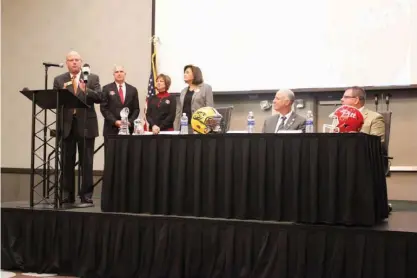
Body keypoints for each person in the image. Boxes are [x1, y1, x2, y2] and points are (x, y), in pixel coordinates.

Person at [52, 50, 102, 205]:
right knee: (66, 162)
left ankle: (86, 195)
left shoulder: (92, 78)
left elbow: (100, 97)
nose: (74, 62)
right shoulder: (59, 80)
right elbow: (55, 100)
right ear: (66, 63)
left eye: (77, 60)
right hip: (67, 126)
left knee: (86, 162)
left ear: (81, 62)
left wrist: (86, 89)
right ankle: (67, 194)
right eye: (71, 60)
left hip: (86, 125)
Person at [100, 65, 140, 146]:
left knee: (127, 157)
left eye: (121, 71)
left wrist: (129, 122)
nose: (119, 74)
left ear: (125, 73)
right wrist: (115, 121)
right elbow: (104, 108)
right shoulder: (106, 88)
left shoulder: (133, 90)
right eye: (116, 72)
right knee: (111, 157)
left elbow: (136, 109)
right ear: (113, 74)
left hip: (128, 130)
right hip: (111, 130)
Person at [174, 65, 214, 132]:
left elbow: (210, 109)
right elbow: (179, 111)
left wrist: (208, 128)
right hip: (184, 126)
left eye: (187, 72)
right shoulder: (183, 91)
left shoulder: (206, 88)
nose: (184, 74)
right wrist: (176, 128)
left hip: (200, 127)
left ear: (195, 74)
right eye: (184, 73)